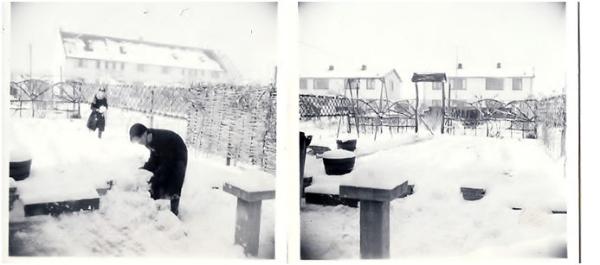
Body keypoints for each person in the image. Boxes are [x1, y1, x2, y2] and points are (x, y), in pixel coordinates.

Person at [129, 123, 188, 216]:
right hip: (167, 155)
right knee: (156, 178)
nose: (139, 143)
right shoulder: (148, 140)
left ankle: (173, 213)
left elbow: (166, 163)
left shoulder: (160, 139)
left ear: (144, 134)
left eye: (138, 140)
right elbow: (154, 157)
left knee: (174, 181)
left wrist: (156, 176)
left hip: (178, 153)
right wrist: (146, 169)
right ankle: (155, 207)